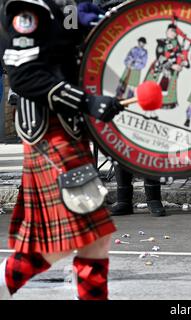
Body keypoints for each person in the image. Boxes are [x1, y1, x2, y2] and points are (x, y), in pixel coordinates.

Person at [0, 0, 124, 300]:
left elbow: (65, 56)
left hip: (69, 130)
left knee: (96, 239)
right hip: (49, 134)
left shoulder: (60, 7)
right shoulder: (27, 10)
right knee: (67, 242)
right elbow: (23, 77)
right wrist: (86, 101)